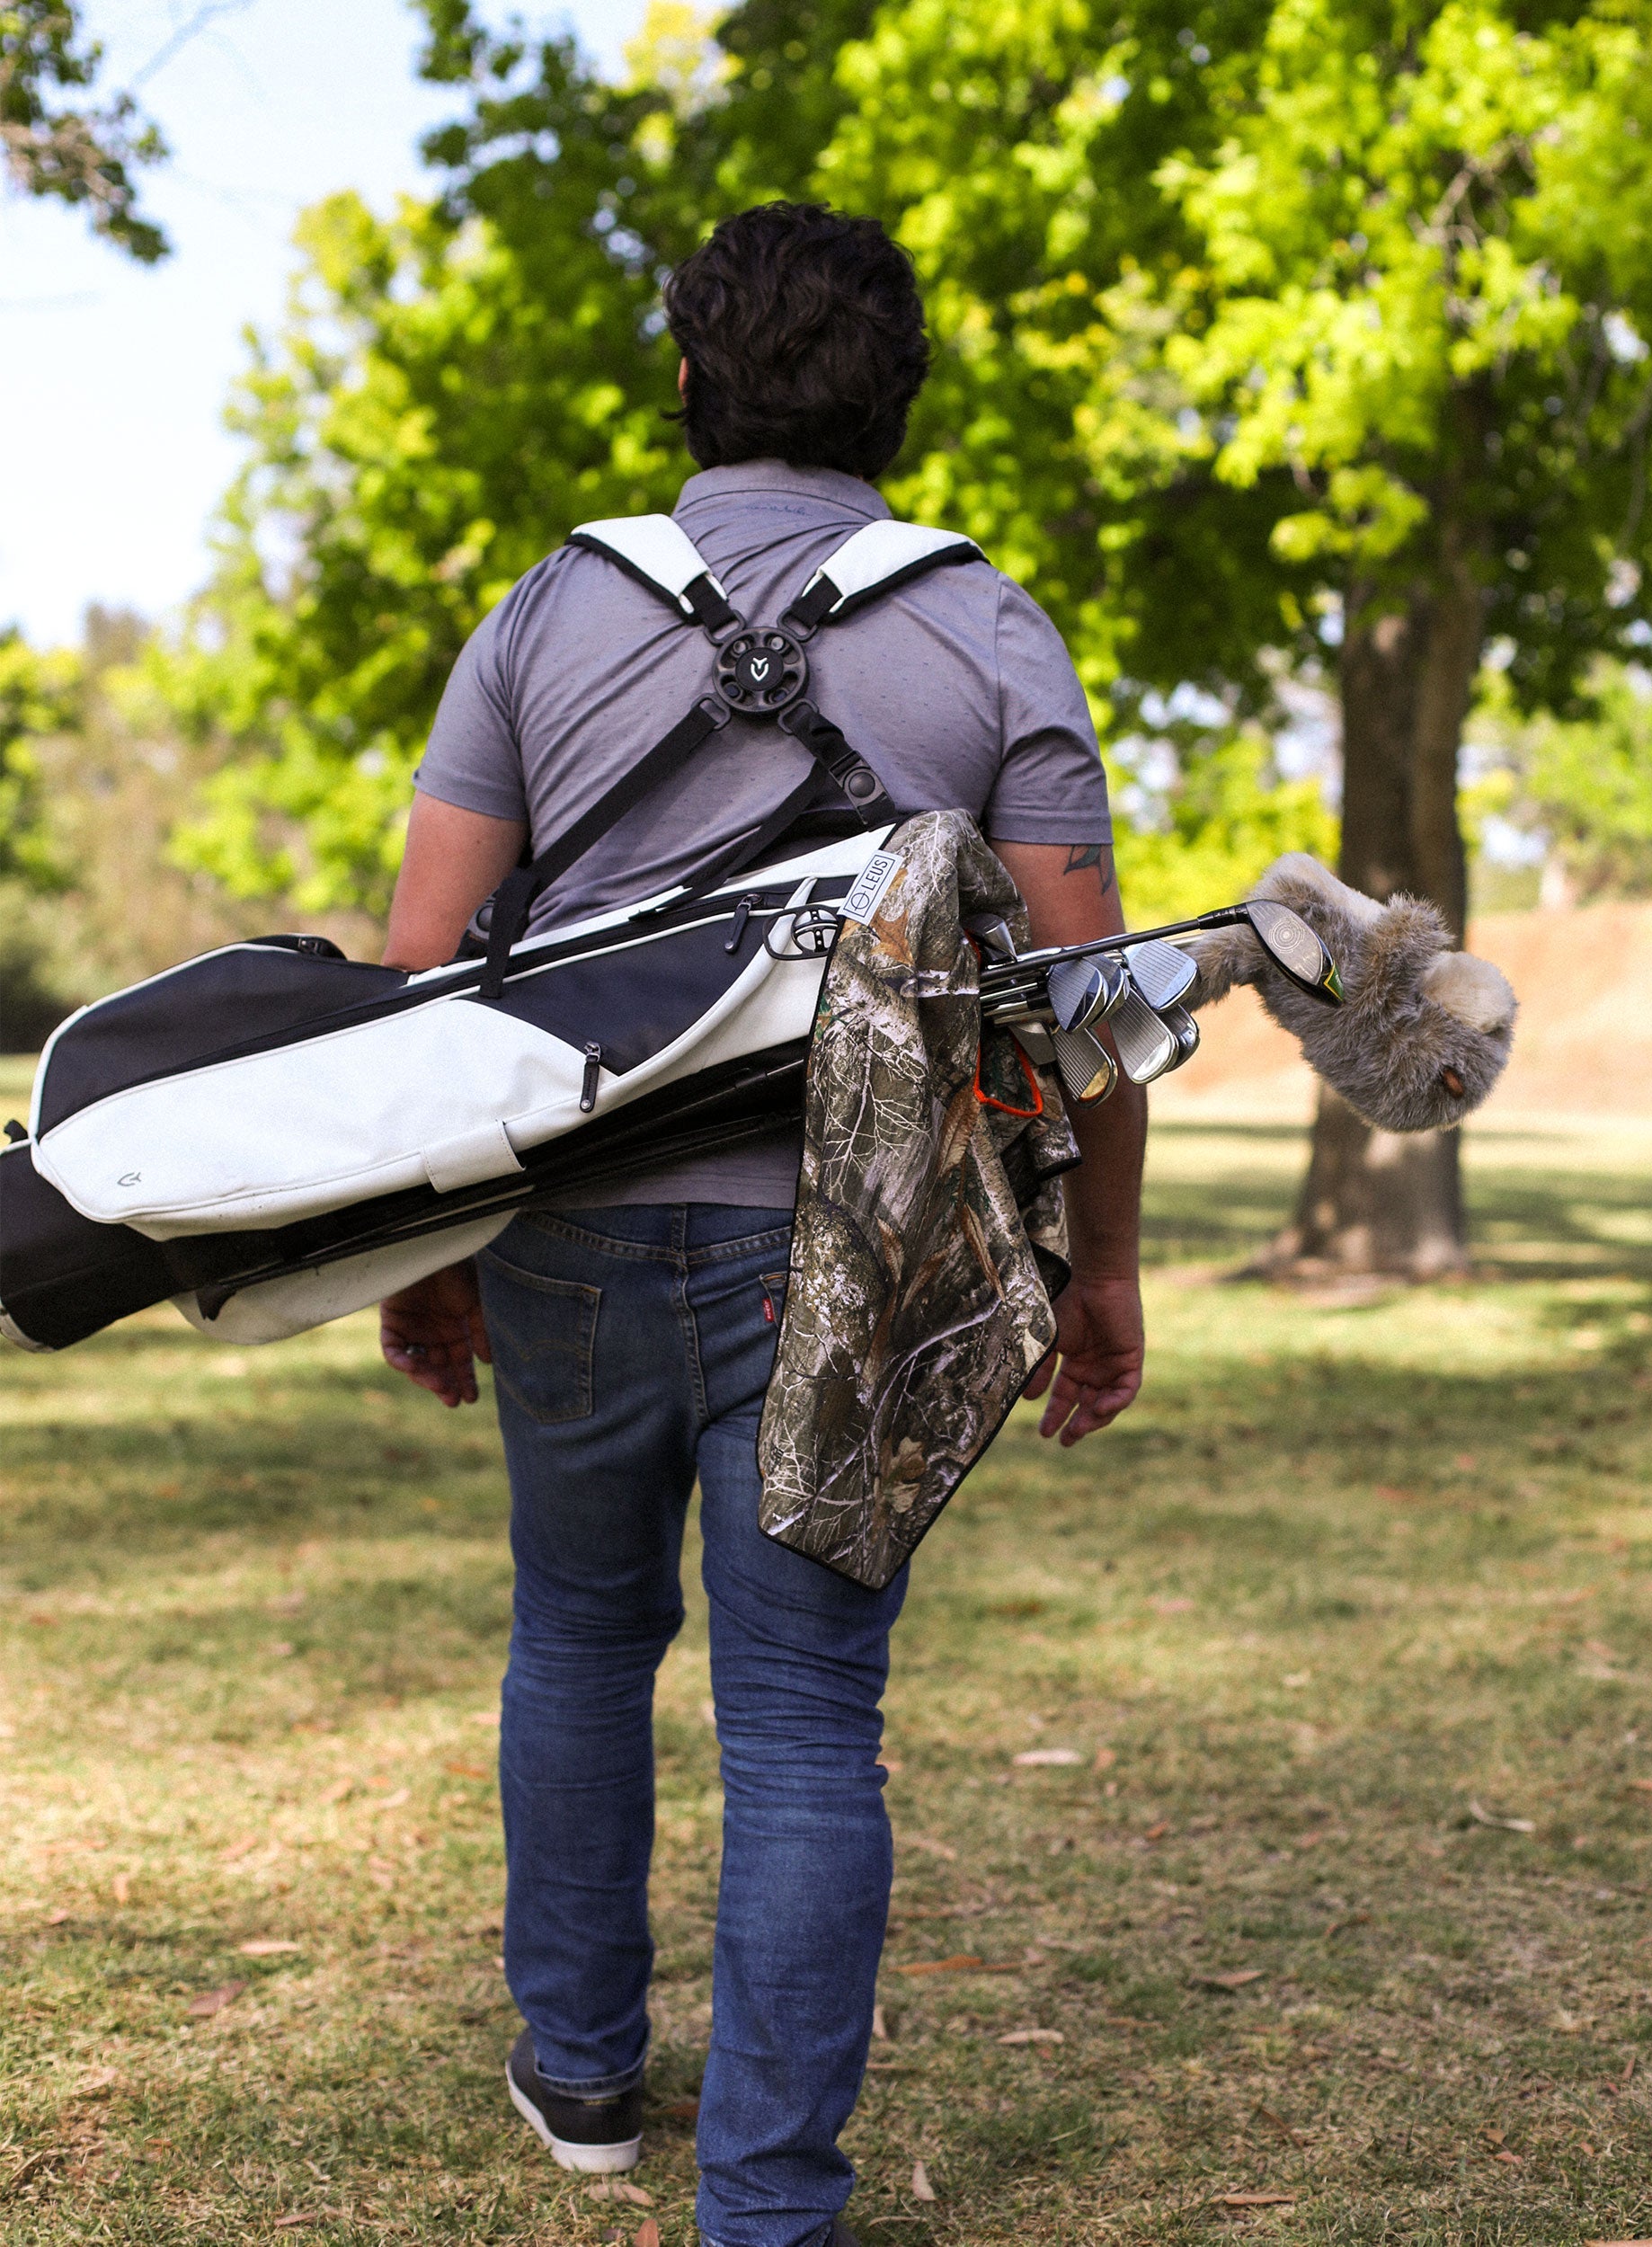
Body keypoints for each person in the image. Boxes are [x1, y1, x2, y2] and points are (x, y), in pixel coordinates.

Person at [377, 200, 1146, 2247]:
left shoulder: (549, 609)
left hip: (568, 1233)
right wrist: (1103, 1271)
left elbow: (425, 962)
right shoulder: (990, 628)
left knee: (576, 1634)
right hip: (862, 1257)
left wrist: (429, 1250)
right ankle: (772, 2203)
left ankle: (579, 2067)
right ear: (898, 401)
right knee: (805, 1722)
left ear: (689, 378)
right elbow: (1083, 1010)